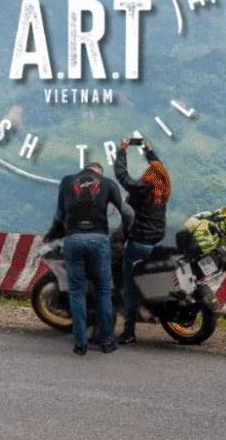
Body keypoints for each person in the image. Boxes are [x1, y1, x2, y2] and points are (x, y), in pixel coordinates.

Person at [44, 161, 132, 356]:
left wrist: (51, 234)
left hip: (73, 239)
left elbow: (59, 214)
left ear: (84, 170)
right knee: (103, 291)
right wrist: (127, 230)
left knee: (76, 292)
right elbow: (127, 212)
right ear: (99, 172)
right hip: (99, 240)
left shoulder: (67, 181)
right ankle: (107, 342)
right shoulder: (108, 183)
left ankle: (80, 344)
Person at [113, 138, 170, 345]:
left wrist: (122, 150)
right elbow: (159, 168)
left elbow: (122, 175)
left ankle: (129, 332)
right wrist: (149, 151)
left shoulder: (143, 189)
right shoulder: (161, 192)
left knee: (129, 289)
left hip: (138, 245)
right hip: (156, 244)